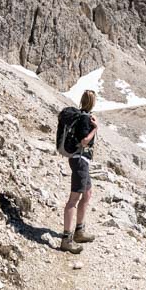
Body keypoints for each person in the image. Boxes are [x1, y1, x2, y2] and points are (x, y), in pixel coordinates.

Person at [60, 89, 98, 254]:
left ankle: (79, 232)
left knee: (87, 194)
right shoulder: (84, 119)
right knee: (74, 199)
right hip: (80, 160)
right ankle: (66, 239)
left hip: (82, 161)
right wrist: (95, 128)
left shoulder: (83, 116)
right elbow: (84, 141)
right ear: (92, 102)